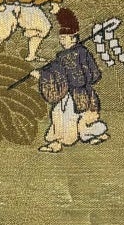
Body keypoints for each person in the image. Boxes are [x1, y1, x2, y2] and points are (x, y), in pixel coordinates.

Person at [30, 8, 107, 152]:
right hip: (73, 93)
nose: (62, 41)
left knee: (68, 116)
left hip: (77, 94)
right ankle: (92, 135)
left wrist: (42, 76)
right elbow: (56, 71)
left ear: (73, 38)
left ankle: (62, 142)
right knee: (62, 114)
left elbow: (90, 74)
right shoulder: (65, 56)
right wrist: (42, 73)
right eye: (61, 38)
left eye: (64, 38)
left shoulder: (78, 53)